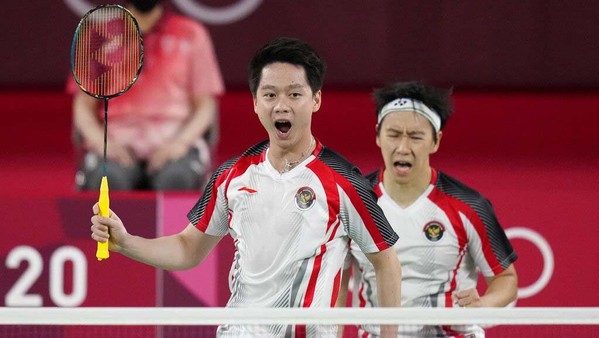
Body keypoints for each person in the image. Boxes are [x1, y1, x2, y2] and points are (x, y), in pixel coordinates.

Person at [90, 37, 402, 337]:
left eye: (294, 94)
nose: (281, 106)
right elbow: (187, 249)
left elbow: (385, 260)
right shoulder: (233, 175)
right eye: (270, 95)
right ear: (255, 102)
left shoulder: (343, 180)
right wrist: (126, 242)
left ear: (315, 99)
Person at [337, 81, 518, 337]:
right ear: (378, 135)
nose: (403, 147)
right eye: (394, 134)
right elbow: (337, 289)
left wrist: (483, 305)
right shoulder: (350, 202)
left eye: (415, 136)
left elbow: (506, 279)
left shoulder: (469, 206)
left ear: (436, 141)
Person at [69, 0, 224, 190]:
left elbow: (206, 105)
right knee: (109, 181)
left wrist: (180, 143)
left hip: (175, 145)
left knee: (176, 180)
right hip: (115, 146)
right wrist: (102, 142)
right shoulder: (99, 35)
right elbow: (83, 104)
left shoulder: (191, 33)